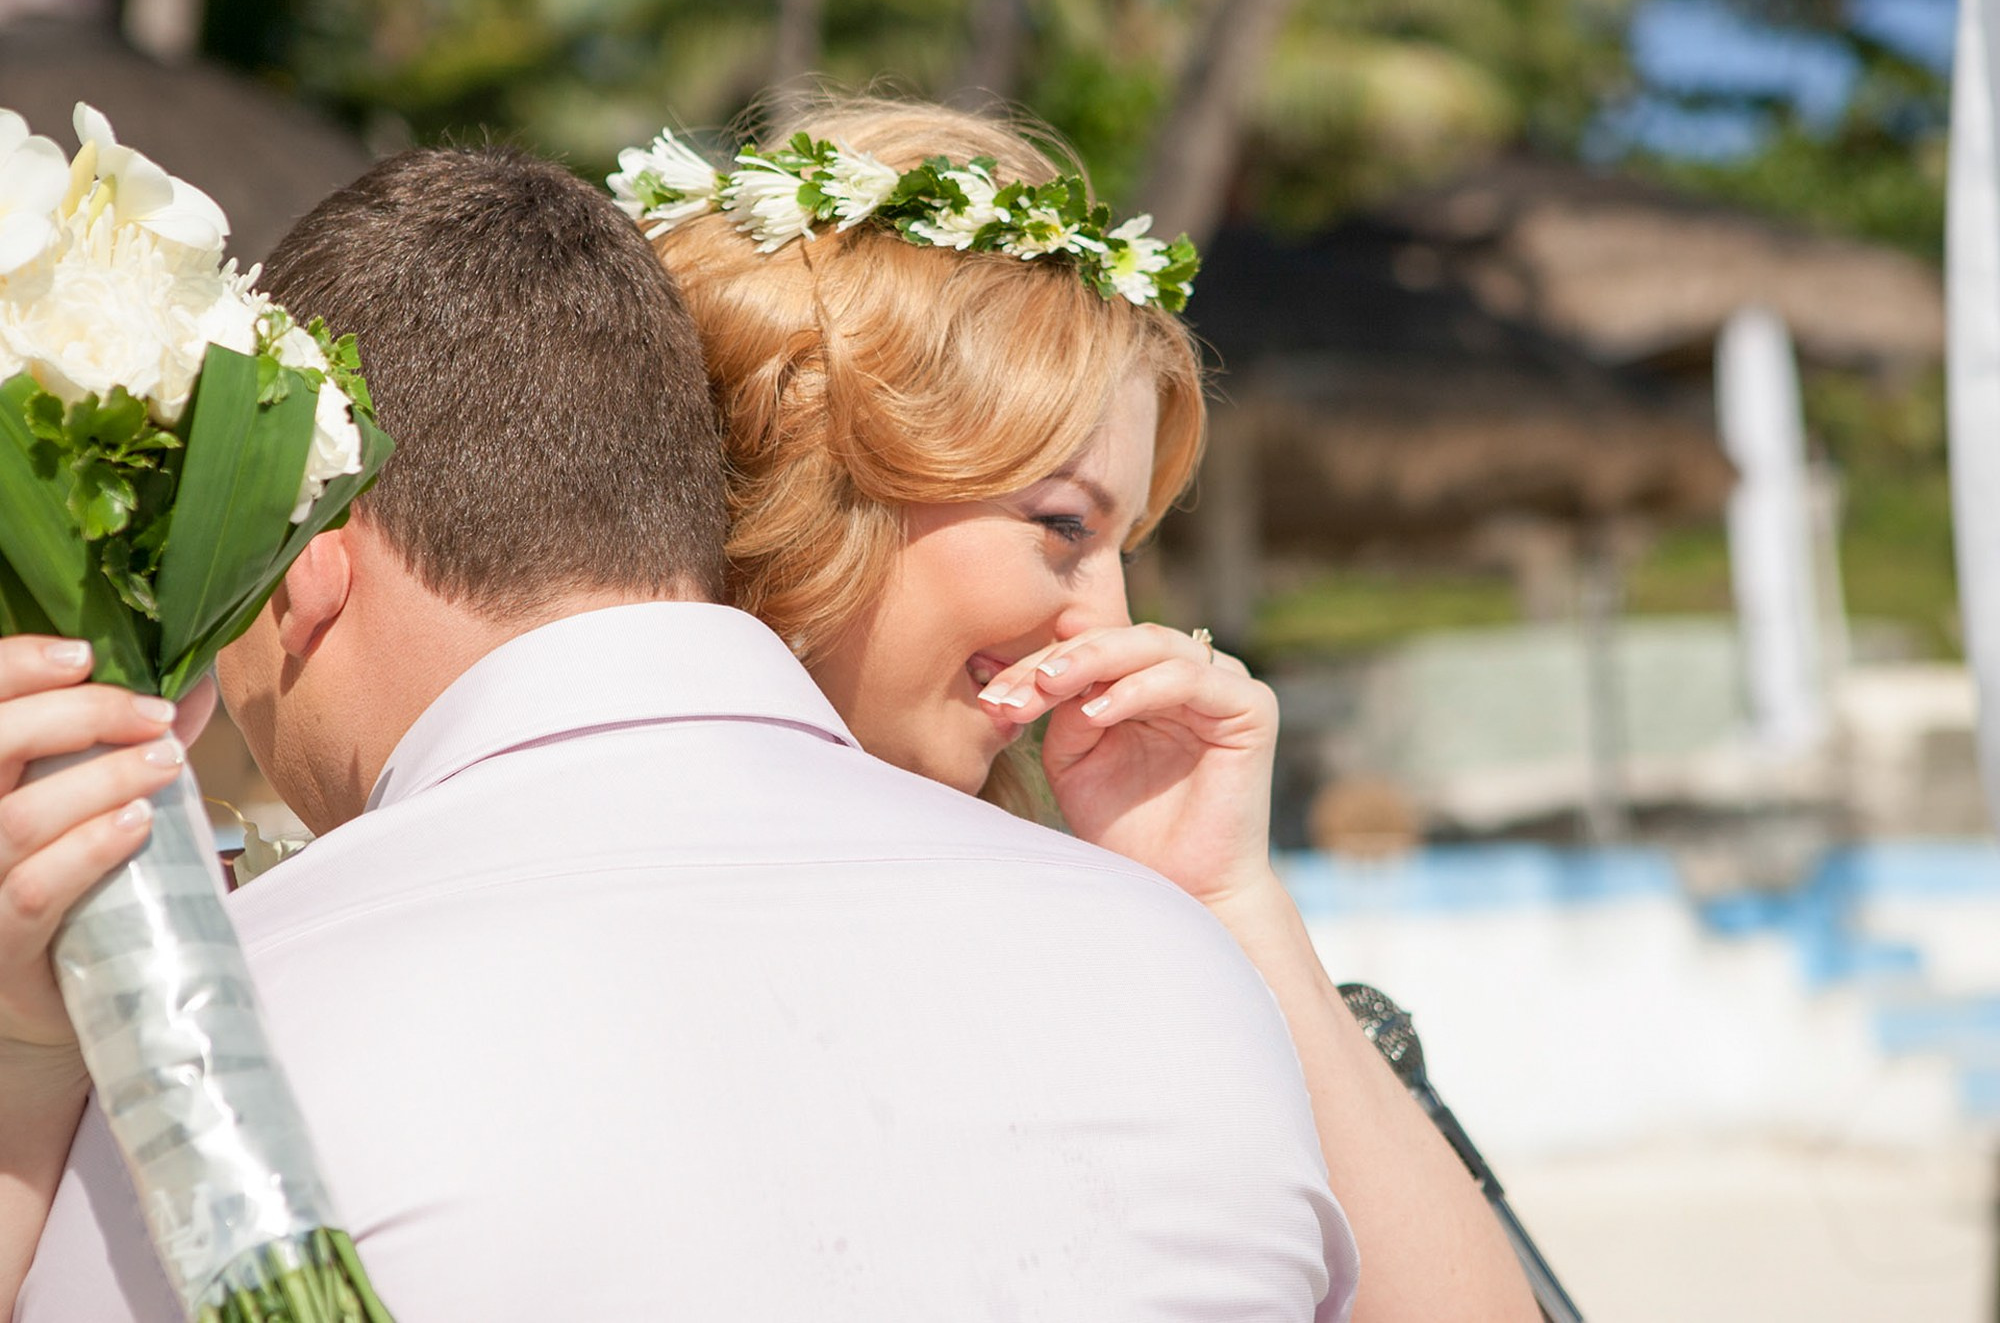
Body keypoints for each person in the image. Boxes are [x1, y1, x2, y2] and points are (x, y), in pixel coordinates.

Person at [0, 147, 1353, 1319]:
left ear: (306, 555)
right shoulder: (1176, 966)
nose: (1105, 618)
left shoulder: (233, 1043)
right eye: (1063, 525)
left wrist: (44, 1052)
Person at [635, 98, 1538, 1323]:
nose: (1104, 626)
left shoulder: (1073, 927)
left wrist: (1227, 899)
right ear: (813, 476)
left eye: (1117, 546)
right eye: (1060, 527)